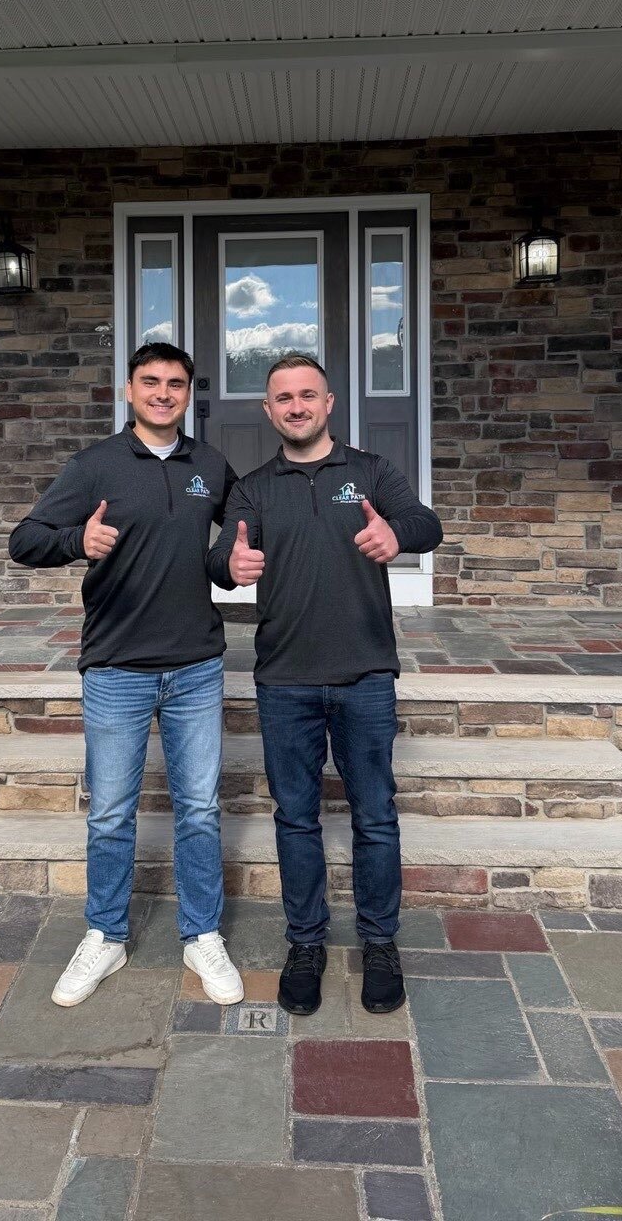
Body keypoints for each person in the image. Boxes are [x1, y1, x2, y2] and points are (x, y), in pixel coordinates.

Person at [10, 342, 244, 1009]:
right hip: (116, 667)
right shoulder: (95, 466)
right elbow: (24, 539)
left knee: (200, 810)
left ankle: (202, 934)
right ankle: (106, 934)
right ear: (129, 391)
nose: (163, 393)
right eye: (151, 382)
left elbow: (240, 536)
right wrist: (75, 542)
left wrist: (232, 565)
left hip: (196, 664)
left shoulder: (210, 466)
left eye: (175, 383)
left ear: (189, 394)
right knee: (111, 814)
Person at [207, 353, 442, 1017]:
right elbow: (221, 557)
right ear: (268, 410)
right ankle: (306, 943)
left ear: (329, 402)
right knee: (295, 819)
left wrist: (396, 534)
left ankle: (379, 943)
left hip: (365, 673)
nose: (297, 406)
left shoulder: (371, 472)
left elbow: (427, 525)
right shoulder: (254, 488)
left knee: (375, 817)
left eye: (308, 395)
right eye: (284, 398)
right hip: (286, 680)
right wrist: (231, 564)